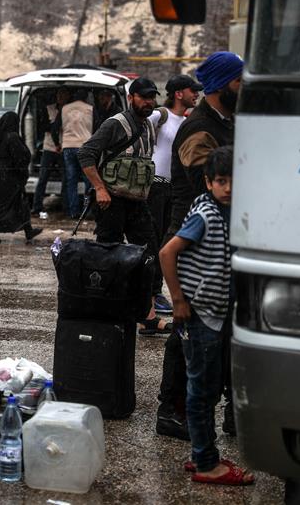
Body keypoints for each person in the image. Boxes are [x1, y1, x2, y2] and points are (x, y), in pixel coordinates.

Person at [155, 51, 243, 442]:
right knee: (187, 328)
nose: (245, 88)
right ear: (223, 84)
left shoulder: (229, 121)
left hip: (222, 238)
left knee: (224, 329)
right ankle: (172, 412)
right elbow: (202, 180)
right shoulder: (199, 129)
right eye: (240, 81)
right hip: (192, 235)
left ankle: (227, 410)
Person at [159, 146, 253, 486]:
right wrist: (178, 300)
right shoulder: (206, 214)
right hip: (201, 315)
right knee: (202, 389)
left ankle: (202, 452)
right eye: (220, 181)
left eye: (234, 181)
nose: (228, 187)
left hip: (217, 313)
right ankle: (207, 464)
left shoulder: (230, 211)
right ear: (207, 182)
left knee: (208, 387)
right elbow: (167, 252)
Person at [78, 77, 161, 327]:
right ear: (131, 98)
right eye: (144, 97)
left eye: (152, 97)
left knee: (149, 255)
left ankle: (148, 315)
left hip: (137, 203)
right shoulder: (115, 124)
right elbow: (86, 153)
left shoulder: (148, 126)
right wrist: (100, 188)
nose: (149, 102)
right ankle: (106, 309)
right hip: (111, 202)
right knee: (108, 257)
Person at [140, 74, 203, 326]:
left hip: (172, 189)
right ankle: (152, 296)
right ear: (178, 93)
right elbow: (139, 132)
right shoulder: (160, 115)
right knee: (153, 240)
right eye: (192, 90)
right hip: (155, 185)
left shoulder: (186, 120)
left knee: (166, 238)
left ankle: (156, 293)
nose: (196, 94)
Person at [0, 112, 43, 244]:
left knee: (9, 202)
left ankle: (27, 230)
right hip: (9, 175)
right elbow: (21, 156)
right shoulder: (12, 137)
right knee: (15, 202)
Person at [31, 87, 70, 216]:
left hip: (64, 147)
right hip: (49, 147)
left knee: (66, 179)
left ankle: (66, 207)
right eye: (59, 95)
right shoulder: (49, 109)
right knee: (43, 178)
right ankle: (37, 206)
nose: (61, 98)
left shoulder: (70, 110)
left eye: (64, 95)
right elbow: (42, 126)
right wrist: (55, 126)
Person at [59, 88, 95, 218]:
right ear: (85, 97)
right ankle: (87, 210)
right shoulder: (90, 109)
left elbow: (60, 126)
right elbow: (95, 127)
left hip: (68, 145)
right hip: (84, 146)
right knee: (88, 179)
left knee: (71, 180)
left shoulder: (65, 108)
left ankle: (73, 211)